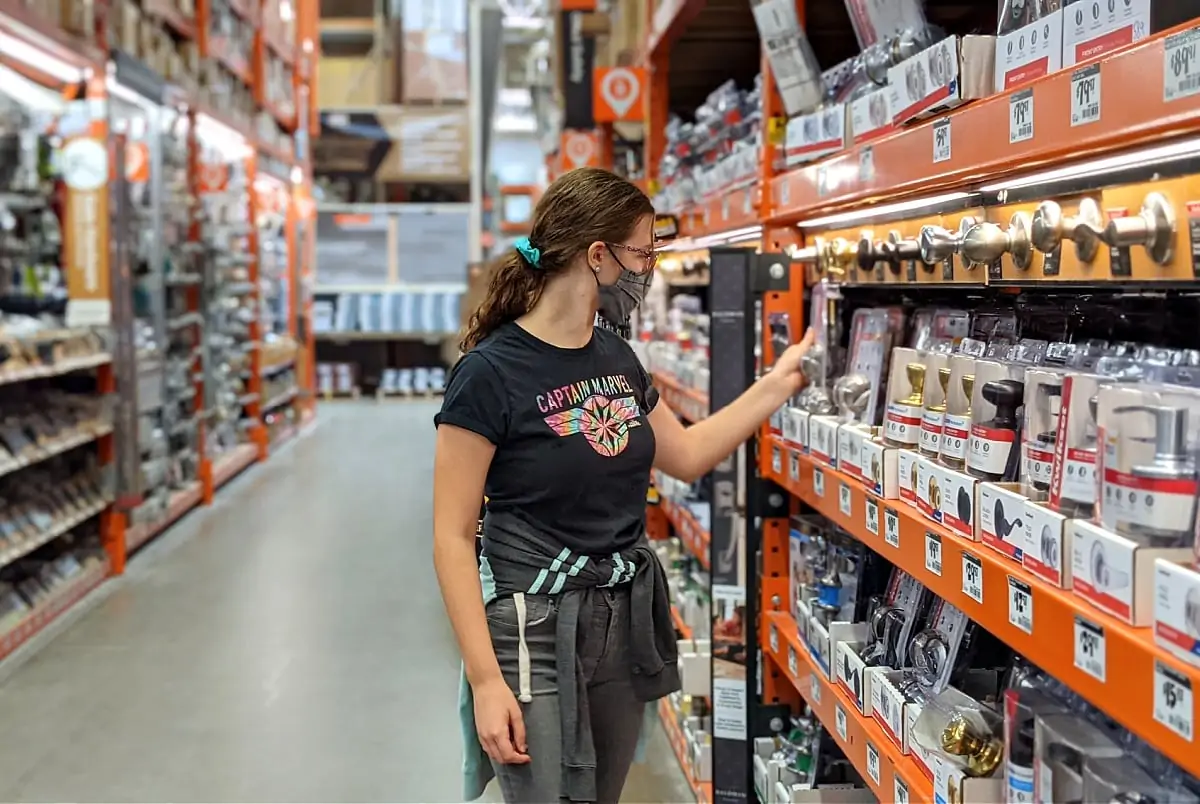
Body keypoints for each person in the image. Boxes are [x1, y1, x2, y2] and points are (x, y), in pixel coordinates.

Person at [432, 167, 814, 804]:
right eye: (644, 253)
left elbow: (687, 455)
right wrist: (486, 680)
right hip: (533, 621)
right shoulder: (488, 373)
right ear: (598, 256)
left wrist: (778, 384)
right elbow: (450, 536)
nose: (650, 269)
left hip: (618, 615)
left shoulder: (617, 358)